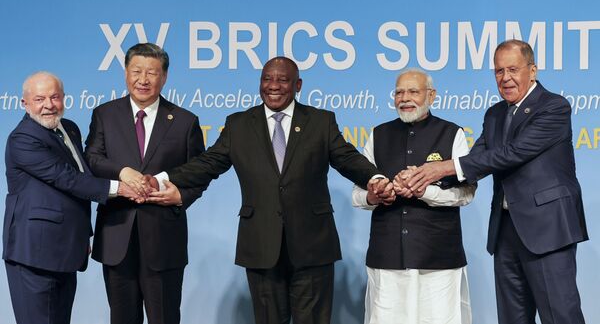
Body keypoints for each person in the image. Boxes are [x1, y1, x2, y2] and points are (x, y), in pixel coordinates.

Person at [147, 56, 393, 324]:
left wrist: (374, 177)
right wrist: (163, 178)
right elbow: (208, 163)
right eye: (267, 79)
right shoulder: (238, 124)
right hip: (261, 244)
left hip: (312, 245)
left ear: (298, 85)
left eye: (282, 79)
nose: (273, 85)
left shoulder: (320, 121)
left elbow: (347, 158)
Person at [406, 40, 588, 324]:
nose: (505, 78)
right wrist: (422, 179)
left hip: (547, 229)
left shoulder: (554, 107)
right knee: (512, 317)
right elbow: (478, 158)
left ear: (533, 70)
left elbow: (512, 153)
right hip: (505, 231)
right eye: (499, 71)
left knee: (560, 315)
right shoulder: (494, 113)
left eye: (513, 69)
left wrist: (441, 168)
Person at [84, 43, 206, 324]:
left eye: (152, 72)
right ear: (125, 73)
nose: (143, 79)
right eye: (136, 71)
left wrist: (181, 197)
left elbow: (198, 172)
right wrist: (123, 171)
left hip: (164, 239)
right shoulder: (105, 114)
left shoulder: (185, 121)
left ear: (164, 77)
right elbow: (91, 158)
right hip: (116, 235)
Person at [3, 71, 139, 324]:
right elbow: (66, 179)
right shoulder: (22, 138)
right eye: (39, 99)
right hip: (34, 254)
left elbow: (82, 174)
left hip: (66, 249)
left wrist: (79, 234)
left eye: (54, 97)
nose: (48, 105)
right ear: (25, 103)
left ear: (64, 98)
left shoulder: (70, 128)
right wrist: (121, 187)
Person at [351, 69, 475, 324]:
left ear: (431, 95)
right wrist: (376, 195)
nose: (404, 98)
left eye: (413, 91)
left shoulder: (452, 133)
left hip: (438, 258)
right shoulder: (378, 134)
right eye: (399, 92)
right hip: (387, 257)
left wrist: (424, 191)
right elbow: (357, 194)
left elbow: (466, 194)